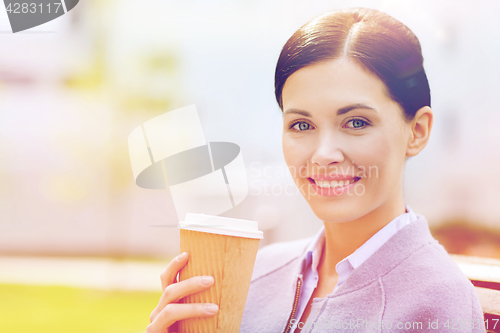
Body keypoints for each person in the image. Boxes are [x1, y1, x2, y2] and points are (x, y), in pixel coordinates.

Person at [147, 7, 486, 333]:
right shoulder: (256, 273)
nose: (323, 155)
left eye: (356, 122)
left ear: (417, 131)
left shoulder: (438, 302)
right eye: (301, 125)